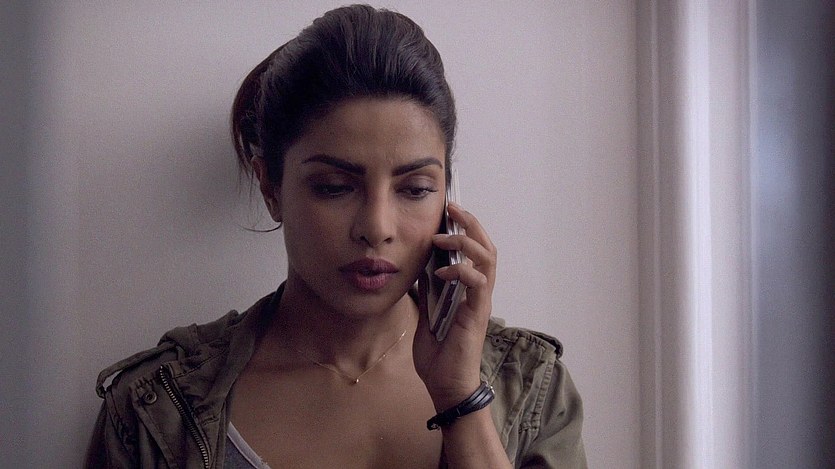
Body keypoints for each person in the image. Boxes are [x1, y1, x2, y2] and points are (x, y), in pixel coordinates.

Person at [86, 5, 586, 468]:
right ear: (271, 188)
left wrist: (461, 398)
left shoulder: (532, 387)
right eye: (333, 187)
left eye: (415, 189)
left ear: (447, 200)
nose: (377, 227)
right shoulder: (155, 409)